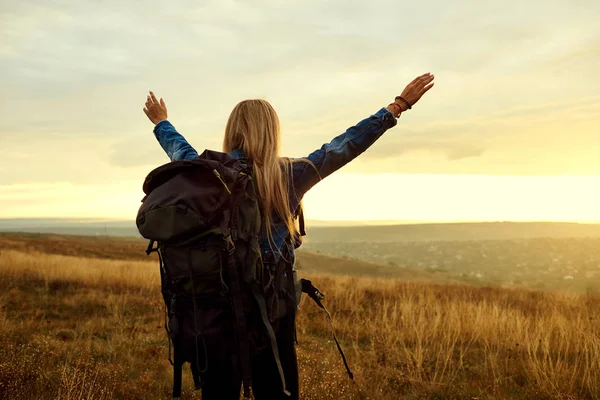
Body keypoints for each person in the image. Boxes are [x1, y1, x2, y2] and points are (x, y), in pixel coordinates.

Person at [143, 72, 435, 399]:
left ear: (231, 131)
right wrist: (398, 106)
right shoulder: (288, 177)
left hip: (215, 317)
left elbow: (180, 151)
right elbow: (344, 146)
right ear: (271, 133)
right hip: (271, 319)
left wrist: (161, 123)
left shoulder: (207, 176)